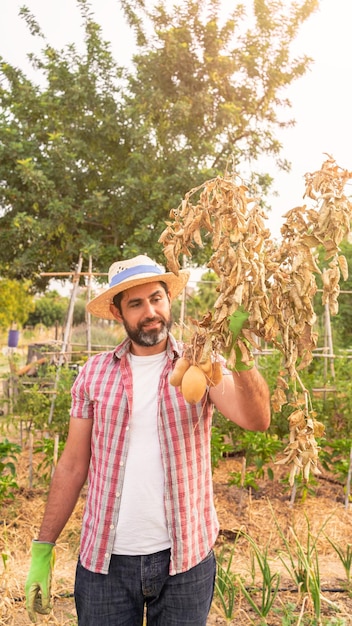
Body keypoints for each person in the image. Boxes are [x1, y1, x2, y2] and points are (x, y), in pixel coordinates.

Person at [25, 254, 271, 625]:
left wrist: (238, 349)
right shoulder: (94, 374)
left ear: (168, 300)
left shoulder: (201, 364)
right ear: (118, 311)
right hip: (104, 564)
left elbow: (257, 420)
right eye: (136, 304)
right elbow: (74, 464)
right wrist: (43, 549)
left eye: (156, 298)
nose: (150, 311)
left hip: (185, 560)